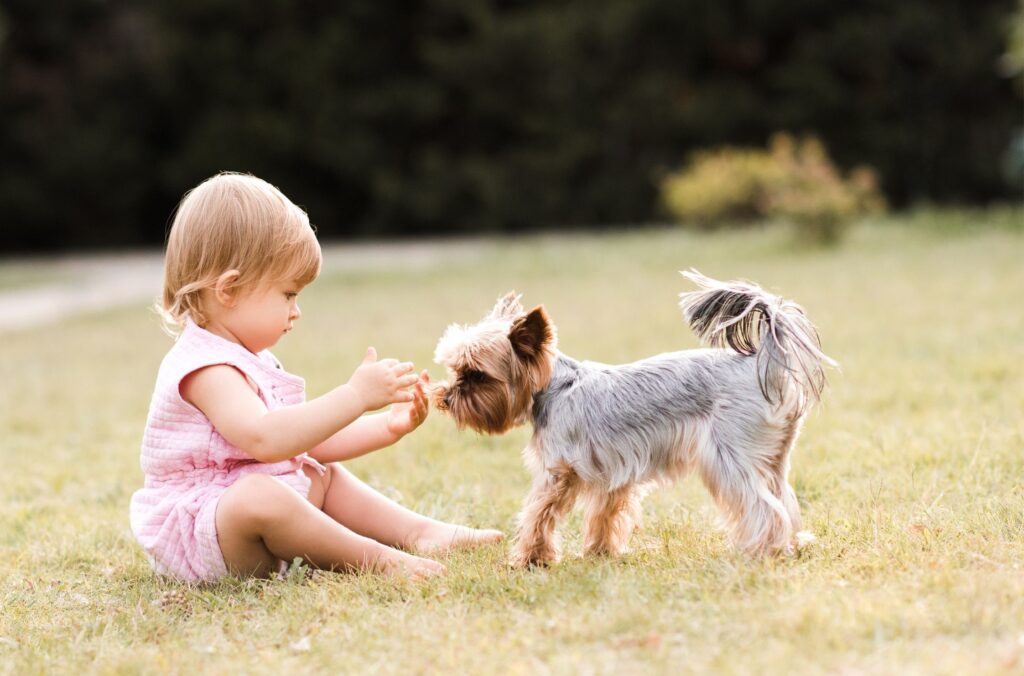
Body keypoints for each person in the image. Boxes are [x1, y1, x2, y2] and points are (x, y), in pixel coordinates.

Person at [129, 172, 503, 583]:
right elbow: (268, 439)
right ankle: (379, 561)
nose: (296, 310)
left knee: (319, 474)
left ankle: (421, 532)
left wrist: (386, 426)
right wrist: (355, 395)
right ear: (229, 289)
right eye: (288, 294)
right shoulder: (206, 369)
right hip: (203, 535)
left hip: (241, 514)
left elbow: (306, 442)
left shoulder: (251, 358)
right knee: (261, 496)